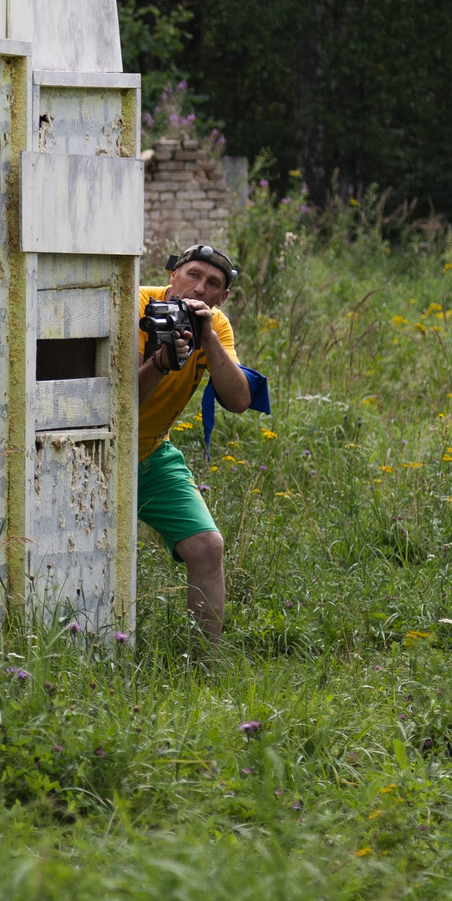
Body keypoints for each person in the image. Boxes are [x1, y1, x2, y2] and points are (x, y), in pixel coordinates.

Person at [137, 242, 255, 638]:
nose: (200, 288)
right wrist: (159, 362)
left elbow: (239, 401)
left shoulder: (215, 324)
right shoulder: (133, 305)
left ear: (222, 297)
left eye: (212, 284)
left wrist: (208, 337)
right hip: (98, 448)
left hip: (150, 451)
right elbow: (113, 403)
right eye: (193, 275)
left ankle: (203, 666)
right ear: (173, 275)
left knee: (207, 546)